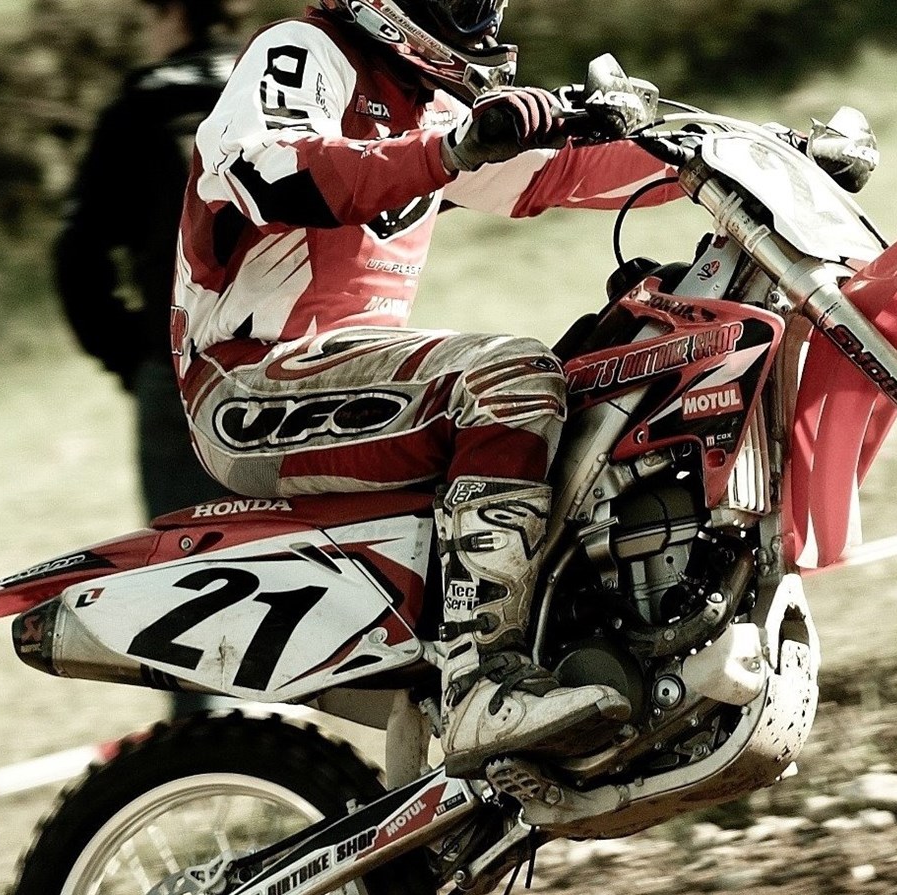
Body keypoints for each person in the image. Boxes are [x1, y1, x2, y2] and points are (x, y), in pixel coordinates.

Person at [173, 0, 685, 776]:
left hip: (345, 378)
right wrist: (447, 151)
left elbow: (559, 172)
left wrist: (755, 153)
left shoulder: (430, 100)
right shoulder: (303, 51)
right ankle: (483, 681)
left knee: (613, 362)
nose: (479, 9)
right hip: (247, 384)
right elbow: (265, 168)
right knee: (507, 380)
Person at [53, 0, 243, 718]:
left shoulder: (139, 108)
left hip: (181, 370)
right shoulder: (283, 84)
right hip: (302, 363)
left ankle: (203, 754)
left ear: (171, 13)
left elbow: (77, 255)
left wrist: (131, 357)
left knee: (186, 586)